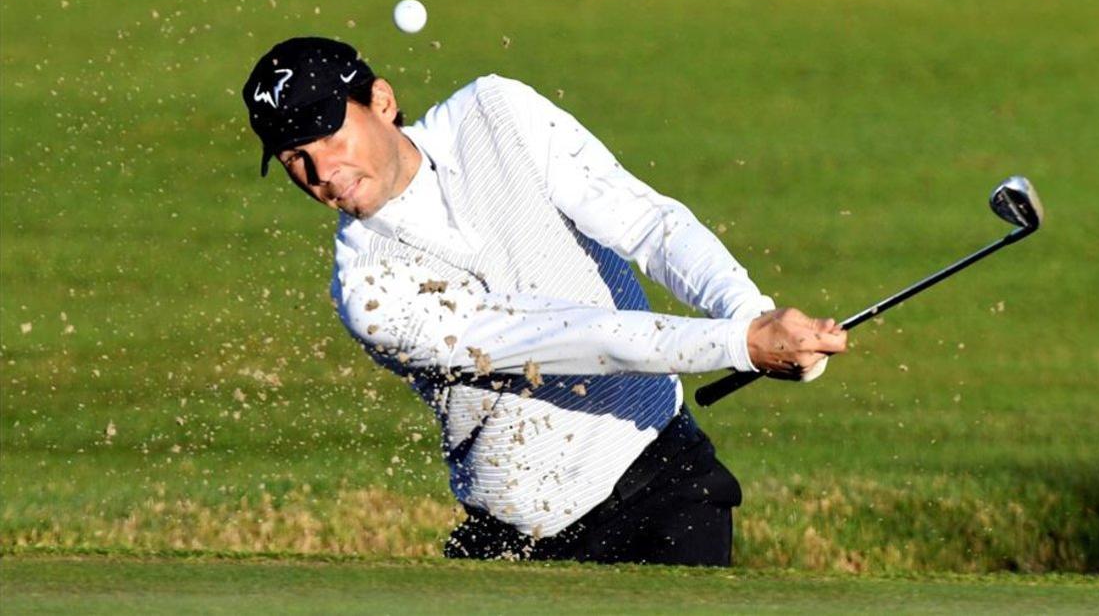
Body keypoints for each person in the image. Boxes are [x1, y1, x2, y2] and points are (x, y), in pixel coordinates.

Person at [241, 36, 848, 566]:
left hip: (663, 486)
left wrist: (750, 314)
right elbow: (577, 337)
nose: (320, 168)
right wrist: (740, 346)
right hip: (521, 543)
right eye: (294, 155)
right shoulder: (370, 293)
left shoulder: (493, 111)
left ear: (380, 101)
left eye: (327, 132)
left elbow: (647, 222)